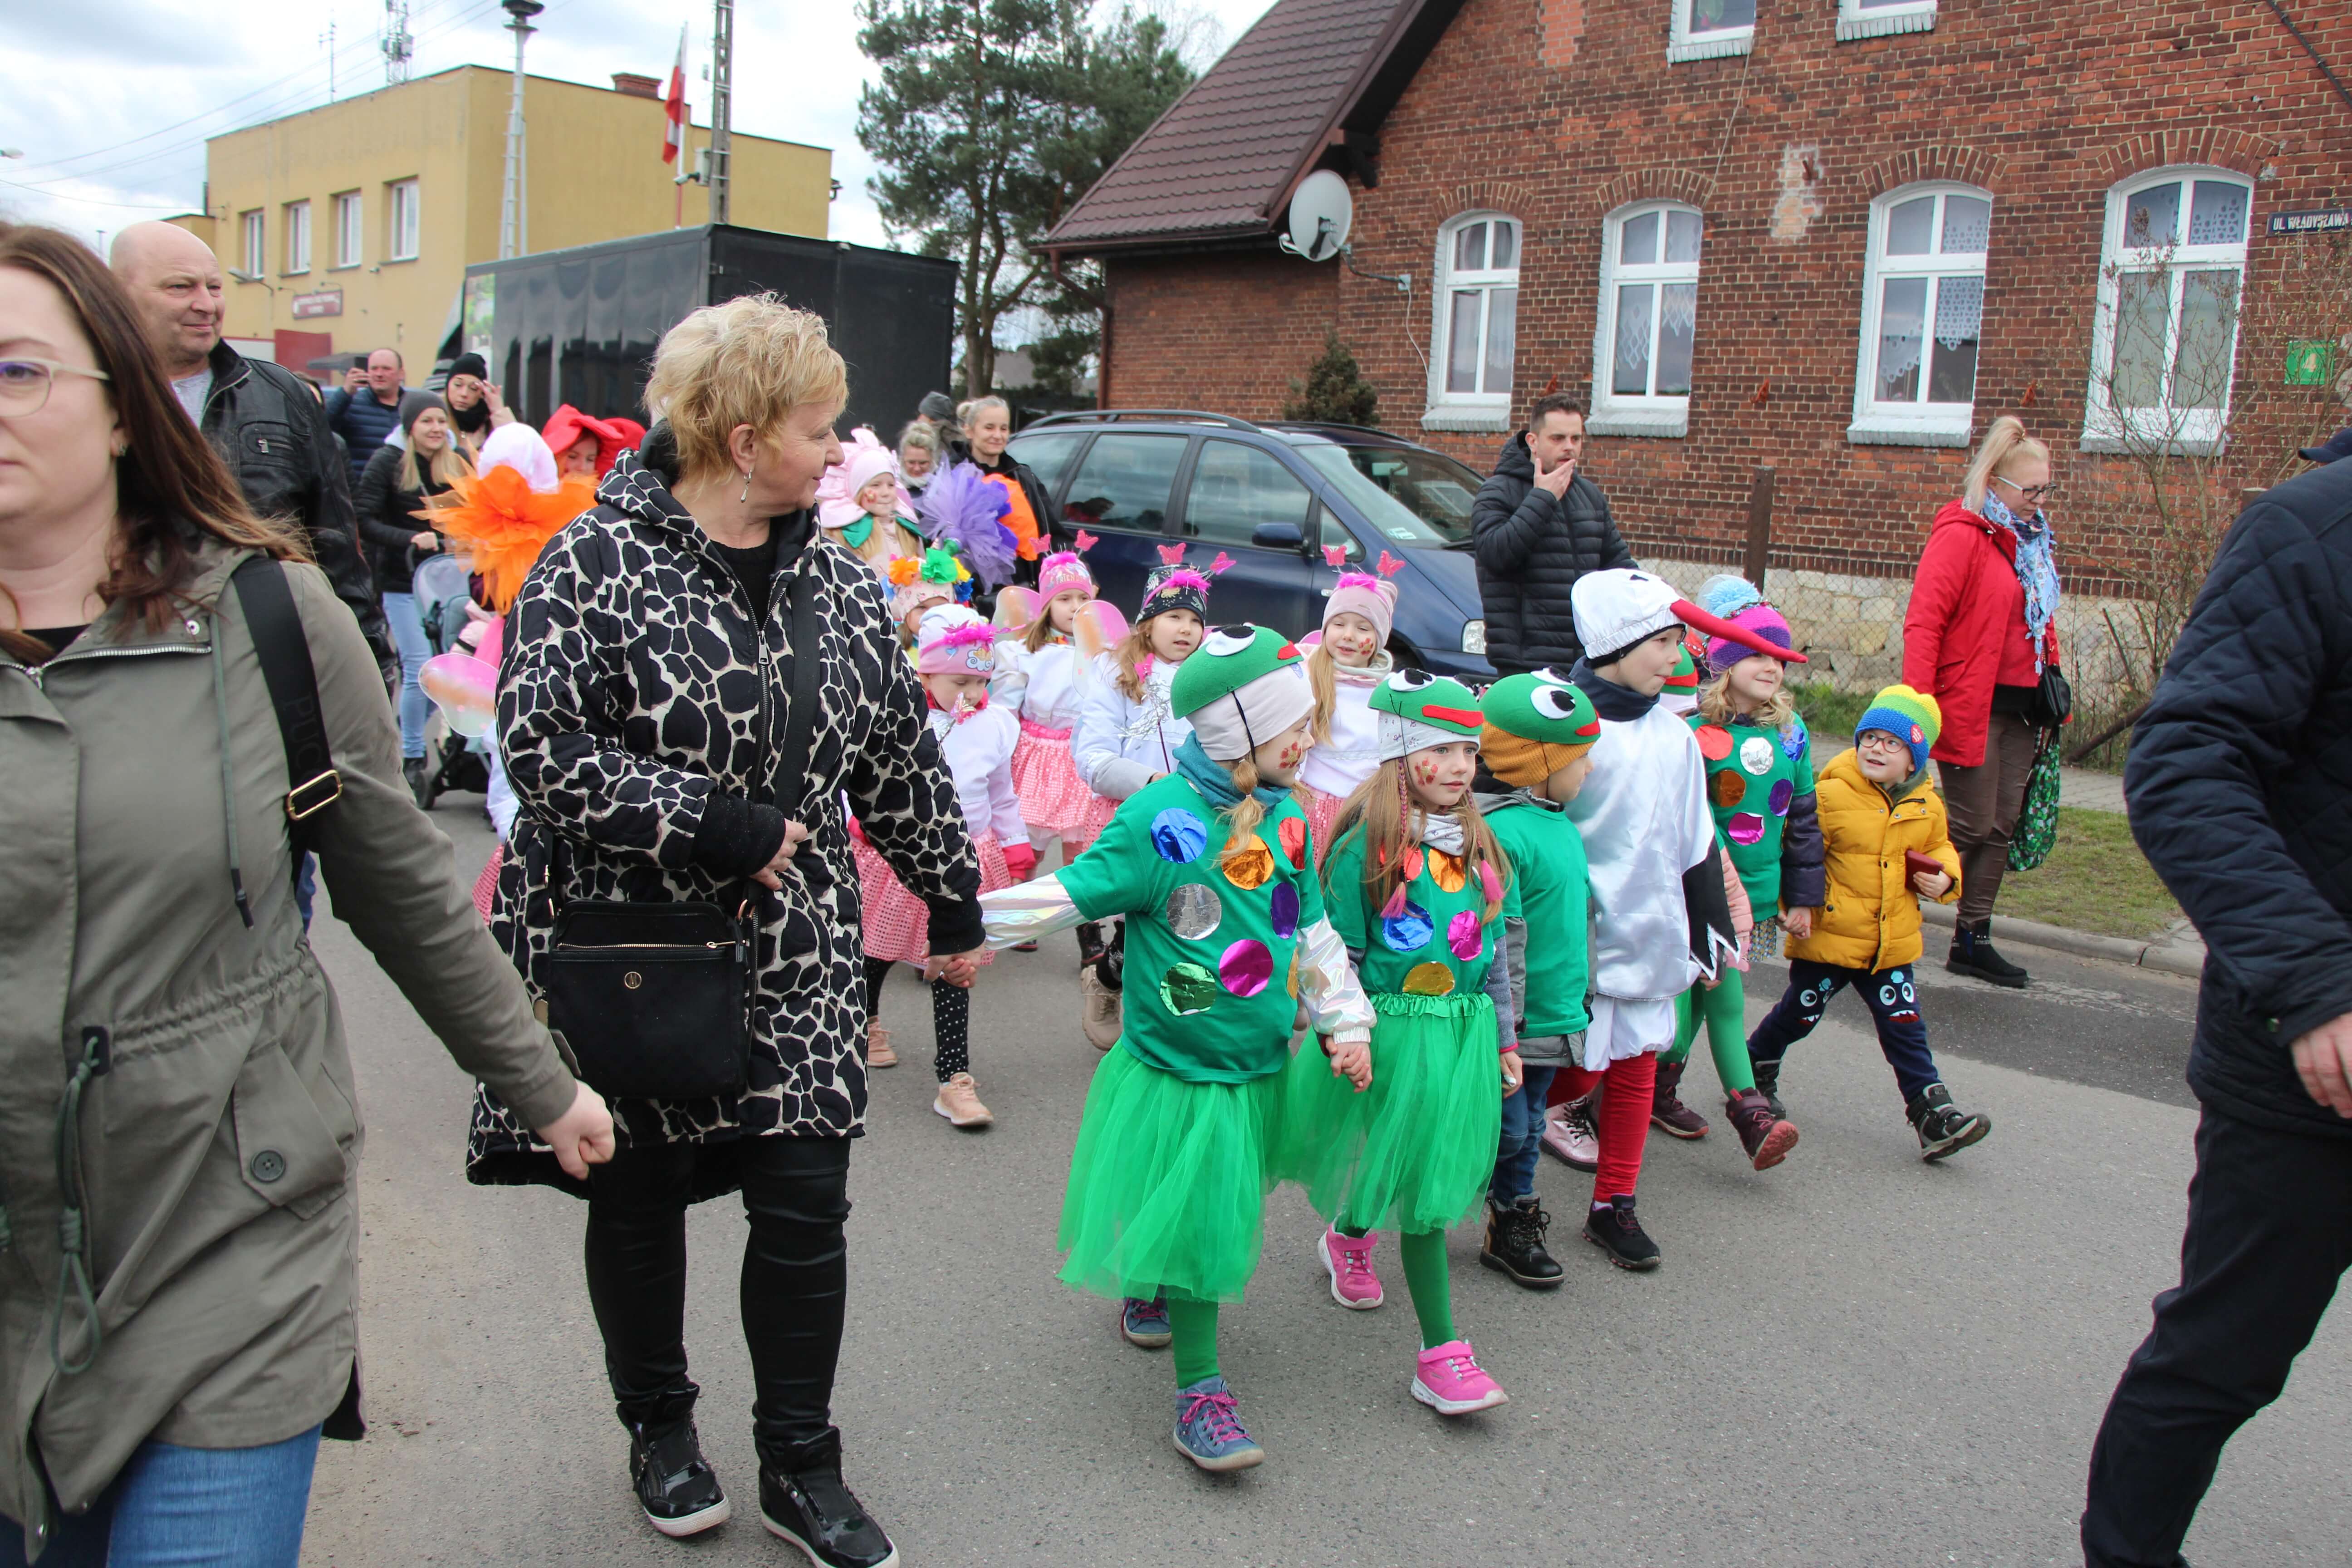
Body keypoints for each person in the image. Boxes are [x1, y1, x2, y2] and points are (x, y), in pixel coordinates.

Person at [0, 220, 612, 1566]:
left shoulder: (266, 621)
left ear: (118, 411)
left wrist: (543, 1084)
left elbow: (397, 886)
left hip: (225, 1237)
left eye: (17, 370)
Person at [469, 293, 984, 1567]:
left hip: (795, 954)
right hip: (632, 944)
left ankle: (802, 1468)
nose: (837, 449)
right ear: (744, 438)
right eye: (818, 429)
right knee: (639, 1200)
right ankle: (660, 1428)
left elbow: (900, 759)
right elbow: (541, 749)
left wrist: (953, 900)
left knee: (806, 1204)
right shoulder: (593, 563)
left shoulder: (842, 585)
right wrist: (712, 821)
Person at [980, 625, 1375, 1471]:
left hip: (1256, 1057)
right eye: (1291, 728)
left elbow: (1309, 927)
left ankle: (1149, 1279)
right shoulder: (1159, 818)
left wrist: (1345, 1020)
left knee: (1193, 1198)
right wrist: (963, 924)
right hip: (1182, 1065)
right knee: (1204, 1218)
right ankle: (1201, 1392)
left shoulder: (1290, 817)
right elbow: (1069, 894)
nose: (1309, 741)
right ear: (1236, 733)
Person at [2079, 456, 2352, 1567]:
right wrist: (2315, 981)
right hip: (2309, 1058)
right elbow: (2185, 763)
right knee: (2221, 1356)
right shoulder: (2310, 530)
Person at [1274, 670, 1518, 1416]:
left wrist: (1505, 1037)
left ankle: (1348, 1235)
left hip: (1459, 1037)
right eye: (1438, 750)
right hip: (1387, 1032)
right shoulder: (1364, 850)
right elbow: (1334, 950)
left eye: (1467, 753)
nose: (1455, 768)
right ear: (1401, 754)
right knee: (1423, 1193)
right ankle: (1440, 1353)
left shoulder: (1478, 843)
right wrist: (1341, 1031)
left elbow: (1494, 953)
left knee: (1412, 1160)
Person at [1553, 569, 1768, 1269]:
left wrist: (1711, 924)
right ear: (1619, 643)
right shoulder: (1567, 727)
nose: (1680, 658)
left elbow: (1693, 836)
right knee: (1568, 1076)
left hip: (1651, 935)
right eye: (1668, 642)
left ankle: (1615, 1204)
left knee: (1638, 1065)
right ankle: (1505, 1188)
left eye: (1681, 643)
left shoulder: (1675, 737)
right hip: (1577, 940)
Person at [105, 220, 393, 687]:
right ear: (117, 293)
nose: (206, 304)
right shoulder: (87, 396)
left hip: (263, 669)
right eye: (181, 287)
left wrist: (370, 662)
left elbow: (335, 543)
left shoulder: (279, 394)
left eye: (214, 287)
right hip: (128, 666)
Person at [1744, 685, 1992, 1160]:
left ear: (1914, 760)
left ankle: (1932, 1115)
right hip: (1830, 938)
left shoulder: (1927, 804)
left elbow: (1941, 849)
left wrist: (1947, 879)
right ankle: (1756, 1063)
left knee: (1906, 1026)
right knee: (1800, 1013)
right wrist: (1790, 904)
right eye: (1869, 737)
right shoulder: (1832, 796)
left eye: (1892, 742)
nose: (1877, 748)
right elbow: (1795, 850)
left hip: (1889, 944)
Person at [1654, 576, 1817, 1165]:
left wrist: (1800, 896)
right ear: (1723, 663)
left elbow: (1804, 823)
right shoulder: (1695, 736)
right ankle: (1749, 1109)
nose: (1770, 664)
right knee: (1721, 997)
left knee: (1702, 1000)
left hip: (1760, 898)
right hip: (1704, 898)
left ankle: (1658, 1084)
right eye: (1754, 653)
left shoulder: (1790, 738)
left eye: (1778, 654)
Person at [1901, 414, 2064, 990]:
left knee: (2002, 824)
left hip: (2022, 707)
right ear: (1994, 482)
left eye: (2047, 489)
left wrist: (2054, 691)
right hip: (1968, 704)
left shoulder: (2031, 543)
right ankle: (1887, 904)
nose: (2041, 501)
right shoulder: (1962, 534)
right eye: (2031, 490)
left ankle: (1973, 938)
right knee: (1967, 826)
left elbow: (2036, 622)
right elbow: (1926, 623)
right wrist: (1914, 710)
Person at [854, 603, 1031, 1124]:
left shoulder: (997, 724)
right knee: (879, 950)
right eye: (960, 681)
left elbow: (1002, 794)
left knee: (955, 960)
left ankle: (953, 1079)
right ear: (924, 671)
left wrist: (1016, 843)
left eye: (982, 682)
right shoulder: (897, 716)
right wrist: (863, 819)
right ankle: (865, 1020)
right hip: (901, 854)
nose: (972, 695)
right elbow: (858, 772)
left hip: (965, 856)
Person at [1472, 671, 1601, 1289]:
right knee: (1513, 1128)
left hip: (1556, 1013)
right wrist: (1510, 1026)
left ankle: (1511, 1222)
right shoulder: (1502, 832)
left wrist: (1582, 996)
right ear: (1539, 762)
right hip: (1518, 1024)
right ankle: (1451, 1188)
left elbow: (1579, 923)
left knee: (1526, 1134)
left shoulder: (1562, 826)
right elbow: (1507, 938)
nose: (1590, 772)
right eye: (1581, 760)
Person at [1071, 550, 1221, 1049]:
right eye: (1173, 616)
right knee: (1143, 928)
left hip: (1199, 822)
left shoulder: (1212, 679)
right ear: (1147, 622)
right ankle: (1109, 979)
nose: (1185, 629)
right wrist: (1155, 782)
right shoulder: (1115, 675)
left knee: (1194, 924)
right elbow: (1093, 758)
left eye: (1195, 620)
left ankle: (1182, 1026)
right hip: (1137, 814)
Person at [355, 392, 471, 803]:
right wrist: (410, 537)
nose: (437, 429)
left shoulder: (457, 464)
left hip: (447, 582)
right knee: (421, 667)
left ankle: (404, 741)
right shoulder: (387, 463)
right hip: (401, 582)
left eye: (442, 421)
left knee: (446, 670)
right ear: (409, 428)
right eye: (427, 422)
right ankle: (411, 758)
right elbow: (363, 518)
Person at [1471, 392, 1636, 675]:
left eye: (1576, 439)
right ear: (1533, 442)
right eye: (1558, 439)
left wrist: (1657, 595)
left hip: (1586, 660)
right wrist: (1543, 498)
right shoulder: (1498, 490)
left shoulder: (1590, 496)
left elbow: (1619, 566)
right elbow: (1495, 554)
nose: (1569, 448)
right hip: (1524, 663)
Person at [996, 539, 1116, 882]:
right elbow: (1006, 707)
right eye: (1064, 599)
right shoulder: (1023, 652)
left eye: (1083, 599)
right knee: (1026, 843)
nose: (1075, 607)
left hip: (1080, 754)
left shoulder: (1104, 653)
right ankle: (1020, 913)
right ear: (1047, 603)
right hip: (1034, 757)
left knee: (1080, 847)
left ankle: (1080, 923)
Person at [1293, 548, 1401, 853]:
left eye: (1363, 628)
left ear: (1379, 638)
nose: (1349, 635)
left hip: (1371, 811)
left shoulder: (1390, 690)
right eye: (1339, 625)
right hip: (1317, 807)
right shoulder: (1308, 677)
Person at [959, 395, 1054, 580]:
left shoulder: (1023, 477)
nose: (998, 435)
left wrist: (1085, 576)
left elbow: (1052, 532)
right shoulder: (953, 477)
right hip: (969, 586)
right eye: (989, 427)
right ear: (969, 431)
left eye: (1004, 428)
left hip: (1022, 586)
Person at [323, 346, 412, 486]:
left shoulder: (412, 406)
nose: (379, 374)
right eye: (374, 369)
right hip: (361, 491)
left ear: (401, 374)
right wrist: (345, 394)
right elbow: (324, 430)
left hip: (402, 491)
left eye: (386, 369)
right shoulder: (350, 402)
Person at [541, 402, 648, 482]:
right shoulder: (530, 500)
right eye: (573, 457)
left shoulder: (600, 503)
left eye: (590, 459)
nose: (582, 467)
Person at [438, 351, 513, 460]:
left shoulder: (490, 422)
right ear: (448, 385)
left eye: (474, 388)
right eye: (458, 385)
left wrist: (498, 410)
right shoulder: (436, 415)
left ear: (482, 393)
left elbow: (517, 447)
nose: (464, 394)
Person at [896, 419, 939, 496]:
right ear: (902, 459)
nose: (917, 469)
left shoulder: (942, 487)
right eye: (911, 463)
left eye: (923, 463)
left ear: (932, 460)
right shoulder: (891, 485)